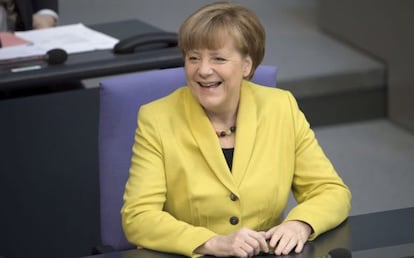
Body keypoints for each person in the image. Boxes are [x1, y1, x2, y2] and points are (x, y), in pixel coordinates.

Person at [121, 2, 351, 257]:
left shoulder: (280, 107)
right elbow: (138, 218)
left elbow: (331, 191)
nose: (203, 70)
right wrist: (211, 242)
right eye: (193, 58)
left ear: (247, 66)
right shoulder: (157, 118)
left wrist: (301, 224)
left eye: (218, 58)